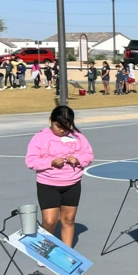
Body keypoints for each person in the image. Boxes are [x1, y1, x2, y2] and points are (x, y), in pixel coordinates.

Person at [25, 106, 94, 248]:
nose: (62, 130)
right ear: (51, 121)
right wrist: (50, 162)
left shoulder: (78, 137)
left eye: (66, 126)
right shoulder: (40, 137)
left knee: (68, 219)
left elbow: (89, 155)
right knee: (50, 221)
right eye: (58, 126)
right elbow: (31, 161)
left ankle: (67, 252)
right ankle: (44, 250)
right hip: (48, 184)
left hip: (72, 184)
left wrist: (78, 159)